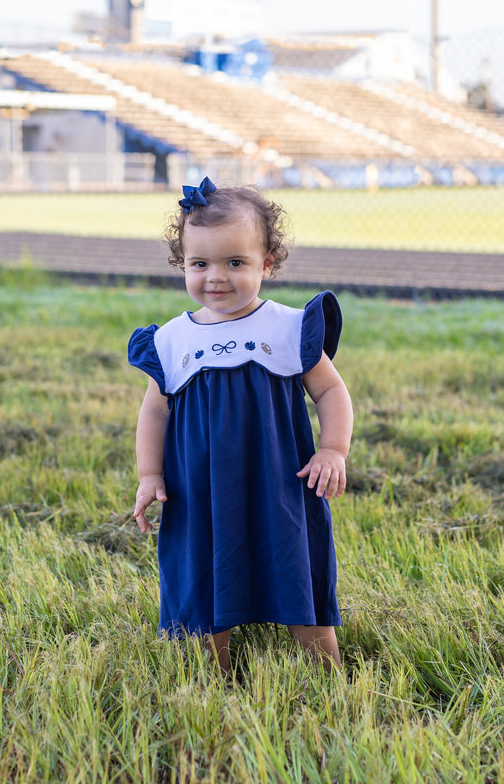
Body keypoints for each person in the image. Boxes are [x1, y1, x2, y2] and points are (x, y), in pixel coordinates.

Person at [128, 177, 353, 673]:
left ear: (267, 263)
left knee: (294, 560)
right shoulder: (171, 340)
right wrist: (150, 474)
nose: (216, 277)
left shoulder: (288, 328)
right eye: (199, 263)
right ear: (181, 264)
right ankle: (215, 674)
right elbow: (155, 410)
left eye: (235, 262)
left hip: (279, 482)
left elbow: (331, 391)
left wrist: (332, 449)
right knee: (203, 571)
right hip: (200, 488)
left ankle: (325, 669)